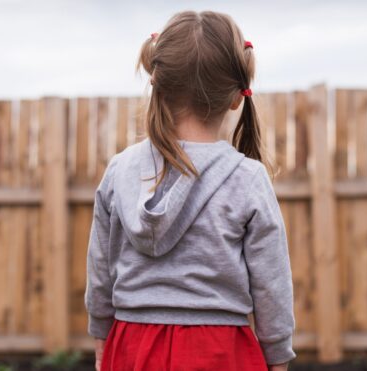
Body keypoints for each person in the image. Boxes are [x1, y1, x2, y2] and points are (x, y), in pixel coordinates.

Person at [84, 10, 296, 371]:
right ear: (235, 97)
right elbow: (271, 282)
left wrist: (101, 335)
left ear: (158, 84)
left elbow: (100, 269)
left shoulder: (121, 170)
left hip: (132, 345)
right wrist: (276, 354)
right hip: (219, 351)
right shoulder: (246, 178)